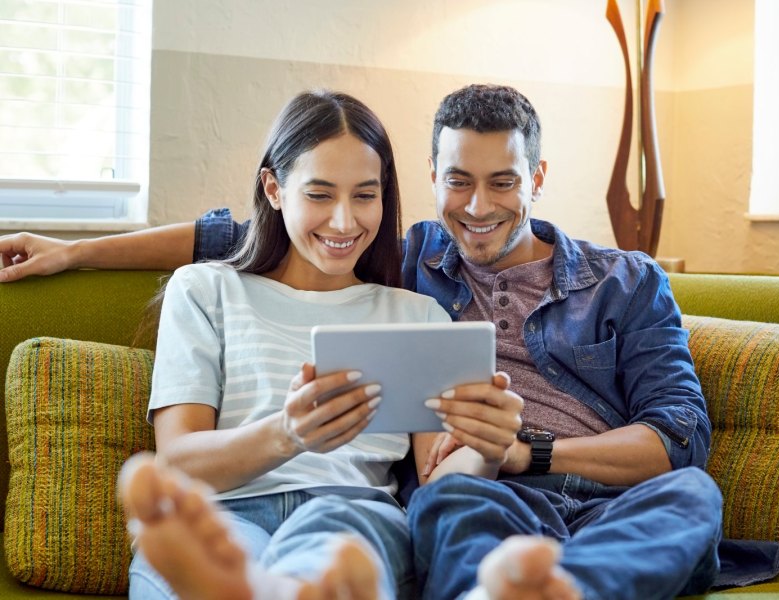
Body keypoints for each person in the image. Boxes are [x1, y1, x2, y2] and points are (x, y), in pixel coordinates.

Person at [0, 84, 724, 600]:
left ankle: (539, 592)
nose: (478, 207)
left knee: (690, 493)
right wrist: (73, 252)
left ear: (536, 177)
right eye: (458, 182)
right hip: (439, 500)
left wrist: (511, 445)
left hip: (545, 501)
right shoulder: (378, 270)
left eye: (503, 181)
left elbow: (675, 434)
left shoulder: (607, 283)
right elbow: (237, 237)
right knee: (451, 506)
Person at [114, 89, 523, 600]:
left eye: (365, 195)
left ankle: (273, 588)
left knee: (331, 546)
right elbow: (176, 462)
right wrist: (288, 433)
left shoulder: (416, 315)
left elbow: (437, 480)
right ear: (274, 188)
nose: (344, 222)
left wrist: (486, 448)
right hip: (223, 512)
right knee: (205, 550)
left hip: (352, 512)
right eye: (320, 194)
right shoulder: (204, 291)